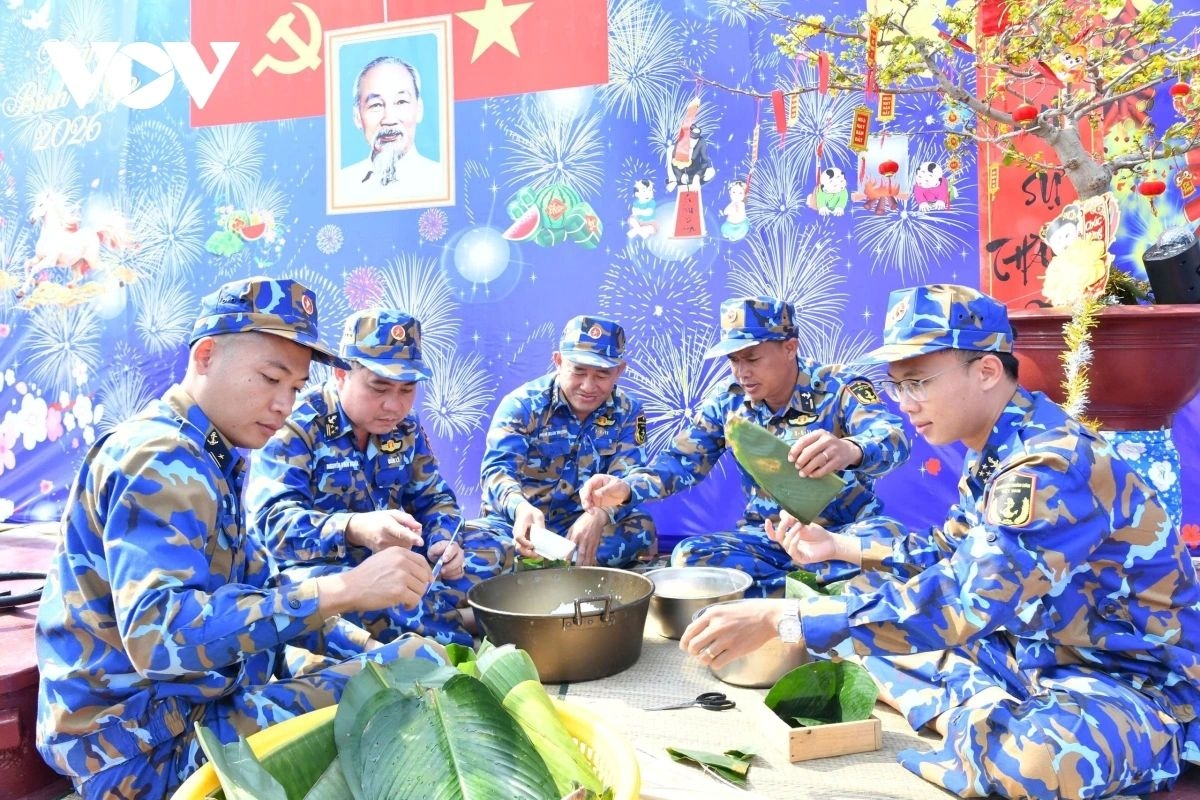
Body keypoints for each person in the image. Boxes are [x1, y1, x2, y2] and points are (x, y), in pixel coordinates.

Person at [680, 284, 1200, 799]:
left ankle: (974, 717)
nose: (906, 404)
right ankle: (977, 711)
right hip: (1025, 650)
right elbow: (950, 551)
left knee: (1035, 761)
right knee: (862, 616)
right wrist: (838, 548)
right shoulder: (997, 446)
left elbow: (966, 600)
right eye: (897, 386)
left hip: (1126, 679)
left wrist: (786, 619)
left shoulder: (1047, 465)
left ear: (987, 370)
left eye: (918, 383)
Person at [35, 278, 447, 799]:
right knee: (403, 680)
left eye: (295, 388)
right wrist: (343, 590)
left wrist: (368, 646)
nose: (283, 404)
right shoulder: (159, 458)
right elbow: (160, 639)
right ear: (206, 355)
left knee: (402, 660)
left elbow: (261, 586)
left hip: (182, 709)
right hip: (142, 750)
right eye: (270, 378)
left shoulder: (207, 453)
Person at [581, 295, 910, 596]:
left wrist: (851, 450)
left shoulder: (837, 385)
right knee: (689, 557)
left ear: (790, 347)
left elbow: (893, 437)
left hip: (843, 535)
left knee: (889, 541)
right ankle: (823, 594)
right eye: (733, 360)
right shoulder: (728, 402)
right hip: (770, 538)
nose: (742, 373)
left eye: (752, 358)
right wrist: (627, 487)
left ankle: (783, 595)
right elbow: (680, 462)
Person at [247, 308, 511, 647]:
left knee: (495, 546)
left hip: (399, 560)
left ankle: (432, 618)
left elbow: (434, 499)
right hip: (324, 570)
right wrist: (354, 528)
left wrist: (443, 542)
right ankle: (453, 623)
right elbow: (274, 527)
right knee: (365, 601)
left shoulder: (405, 427)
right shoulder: (297, 426)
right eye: (379, 387)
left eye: (407, 390)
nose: (393, 406)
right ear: (342, 374)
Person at [476, 314, 655, 567]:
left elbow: (629, 477)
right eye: (578, 371)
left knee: (642, 529)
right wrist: (519, 508)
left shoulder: (631, 412)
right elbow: (496, 472)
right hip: (519, 523)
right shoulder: (521, 405)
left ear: (619, 371)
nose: (588, 386)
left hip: (581, 524)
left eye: (602, 374)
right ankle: (561, 569)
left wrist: (600, 515)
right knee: (473, 549)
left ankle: (536, 571)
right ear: (558, 361)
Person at [332, 55, 445, 206]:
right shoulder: (339, 187)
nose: (389, 120)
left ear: (419, 109)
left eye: (401, 102)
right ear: (357, 117)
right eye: (376, 105)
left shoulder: (442, 180)